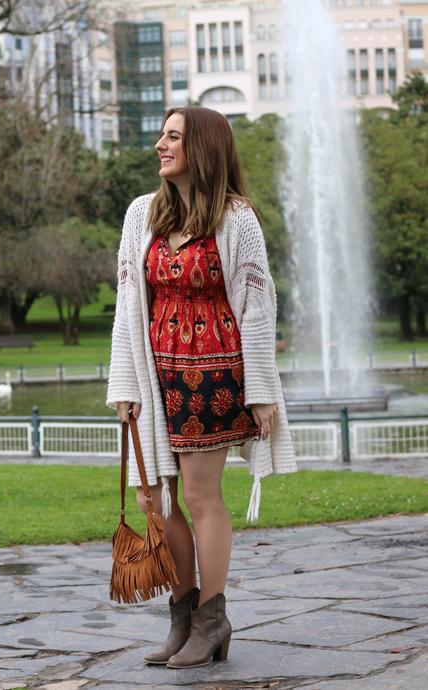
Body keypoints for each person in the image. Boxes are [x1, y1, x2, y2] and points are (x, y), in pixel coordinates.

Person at [106, 106, 297, 669]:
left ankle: (212, 620)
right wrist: (124, 384)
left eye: (173, 136)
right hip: (155, 372)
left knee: (198, 496)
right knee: (160, 501)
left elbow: (258, 309)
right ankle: (183, 614)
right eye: (161, 134)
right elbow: (126, 306)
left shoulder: (236, 218)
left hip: (213, 374)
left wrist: (260, 390)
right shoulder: (142, 214)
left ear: (204, 148)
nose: (161, 145)